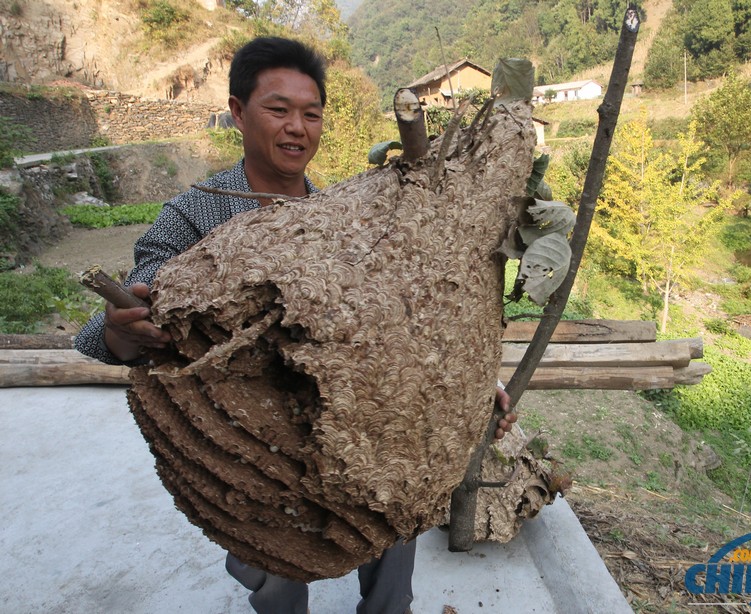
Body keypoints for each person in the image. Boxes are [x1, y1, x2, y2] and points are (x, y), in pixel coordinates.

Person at [74, 36, 516, 614]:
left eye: (311, 114)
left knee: (394, 504)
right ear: (238, 112)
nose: (296, 128)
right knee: (275, 560)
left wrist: (466, 385)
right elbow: (123, 317)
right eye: (278, 110)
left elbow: (407, 321)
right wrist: (122, 329)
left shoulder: (341, 216)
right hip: (251, 445)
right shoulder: (194, 214)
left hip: (342, 422)